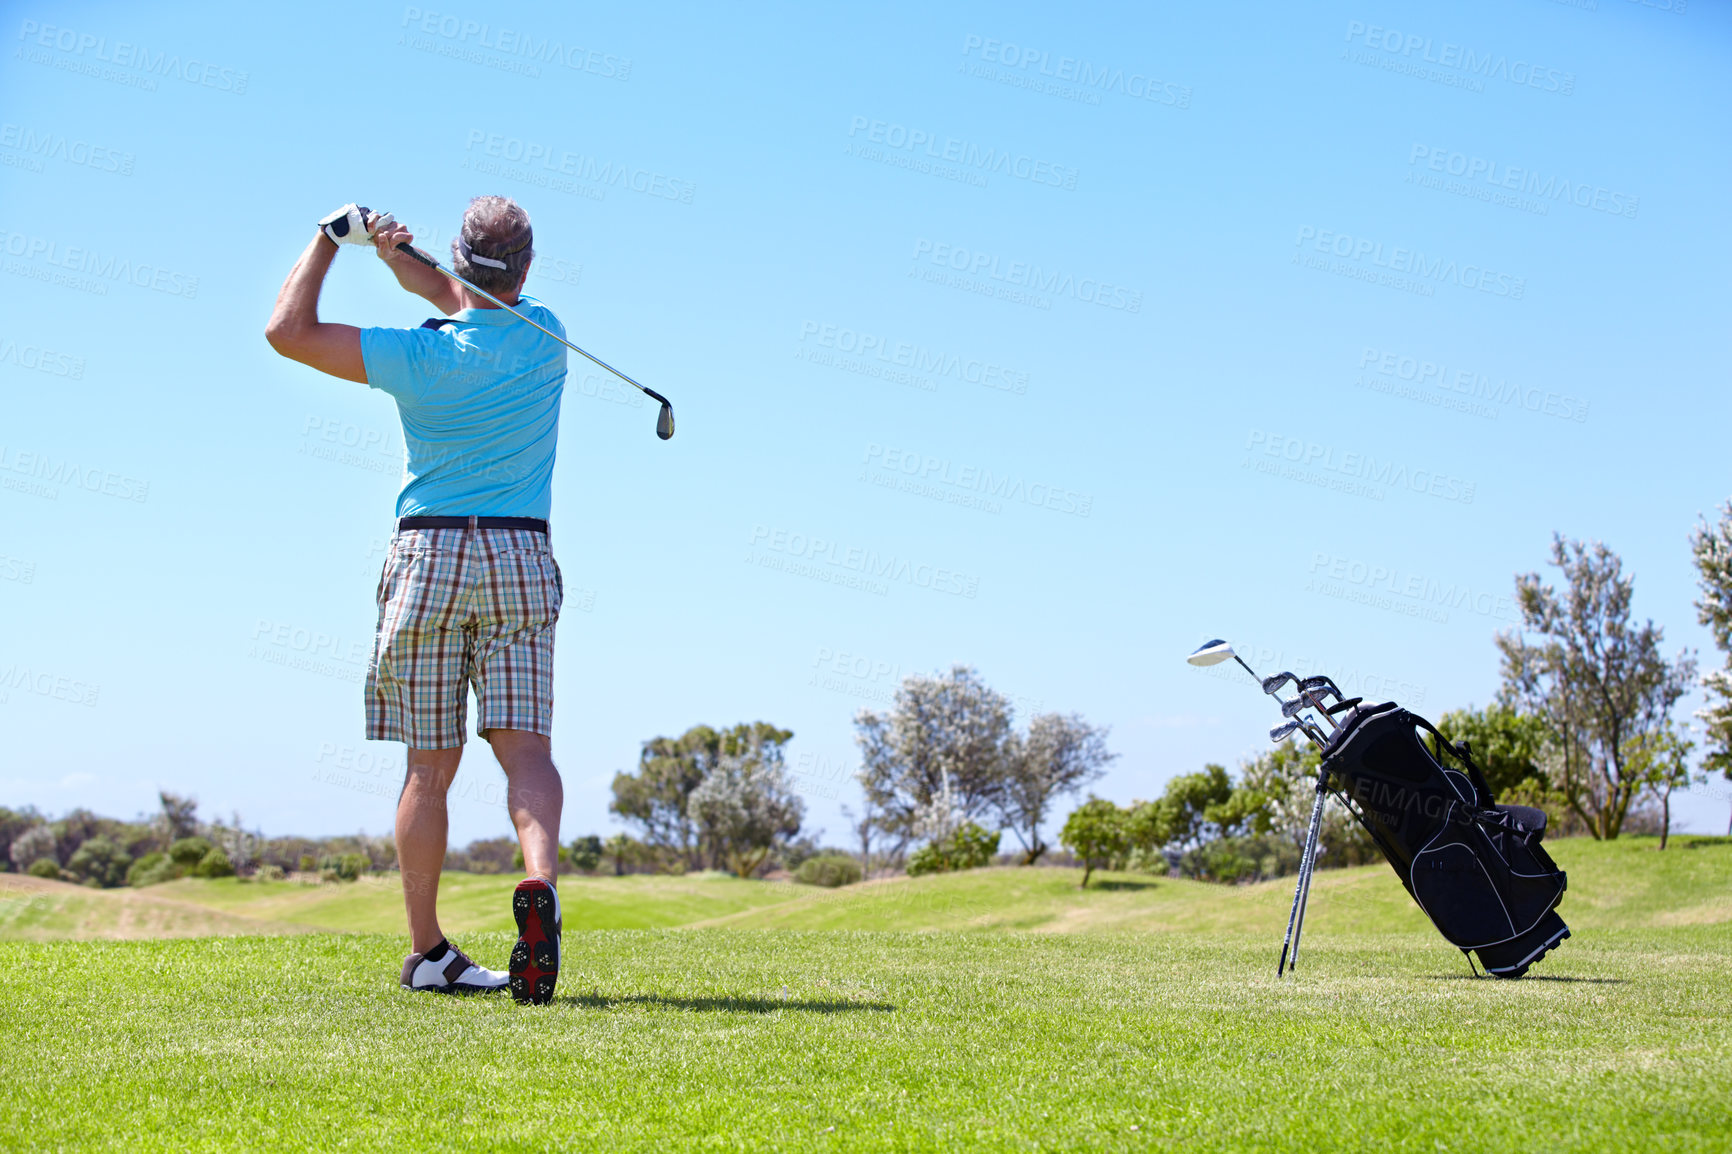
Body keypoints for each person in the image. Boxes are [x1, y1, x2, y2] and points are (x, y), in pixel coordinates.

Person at [266, 198, 565, 1005]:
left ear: (459, 263)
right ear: (526, 271)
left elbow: (288, 332)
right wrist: (399, 259)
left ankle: (429, 951)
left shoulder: (418, 359)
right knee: (526, 753)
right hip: (520, 553)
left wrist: (333, 241)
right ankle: (540, 887)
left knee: (429, 769)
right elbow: (463, 296)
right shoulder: (545, 333)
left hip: (429, 554)